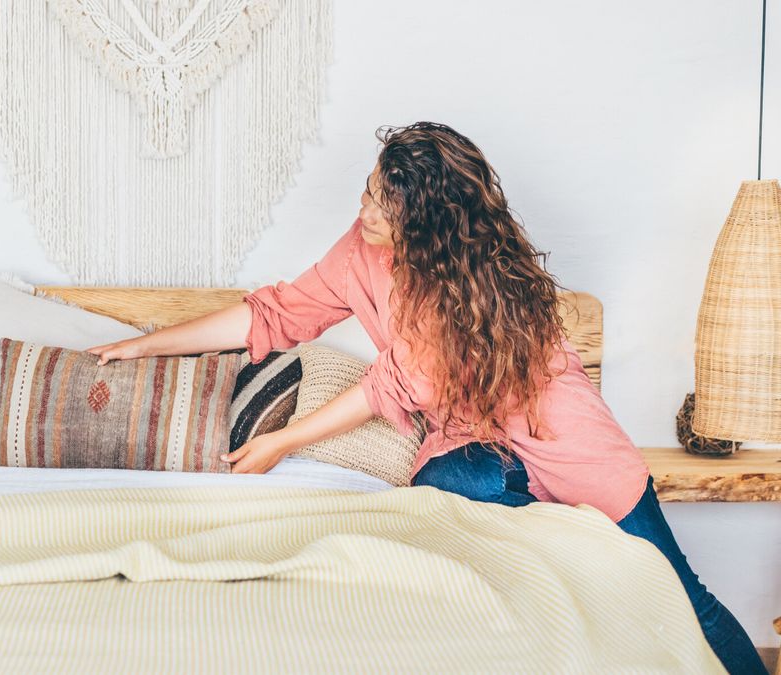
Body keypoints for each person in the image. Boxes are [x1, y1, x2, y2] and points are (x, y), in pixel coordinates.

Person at [87, 122, 766, 674]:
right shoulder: (360, 250)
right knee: (440, 479)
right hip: (477, 449)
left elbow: (388, 385)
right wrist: (149, 344)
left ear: (425, 218)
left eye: (382, 202)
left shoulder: (460, 281)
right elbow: (279, 313)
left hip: (568, 442)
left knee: (683, 592)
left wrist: (283, 440)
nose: (364, 208)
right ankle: (539, 527)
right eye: (369, 189)